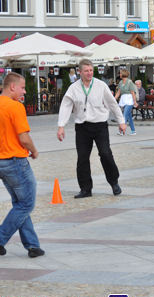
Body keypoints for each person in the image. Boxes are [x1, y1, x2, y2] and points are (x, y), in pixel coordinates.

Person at [57, 59, 126, 199]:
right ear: (80, 72)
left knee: (105, 153)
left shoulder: (101, 86)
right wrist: (61, 126)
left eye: (91, 70)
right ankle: (85, 189)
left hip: (100, 125)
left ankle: (114, 182)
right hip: (82, 127)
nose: (89, 73)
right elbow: (66, 106)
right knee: (82, 158)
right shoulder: (74, 88)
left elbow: (113, 104)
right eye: (86, 71)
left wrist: (121, 121)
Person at [0, 72, 44, 258]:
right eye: (22, 87)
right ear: (12, 87)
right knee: (26, 204)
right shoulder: (15, 107)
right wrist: (33, 150)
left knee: (20, 203)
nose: (24, 91)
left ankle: (32, 245)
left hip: (1, 162)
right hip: (16, 161)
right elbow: (24, 137)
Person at [115, 69, 138, 136]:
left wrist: (134, 102)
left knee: (124, 115)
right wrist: (113, 100)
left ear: (123, 74)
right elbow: (118, 92)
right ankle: (133, 131)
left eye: (120, 73)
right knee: (129, 117)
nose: (119, 75)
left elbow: (133, 93)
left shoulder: (129, 82)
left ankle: (121, 131)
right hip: (123, 99)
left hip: (129, 100)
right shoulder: (120, 82)